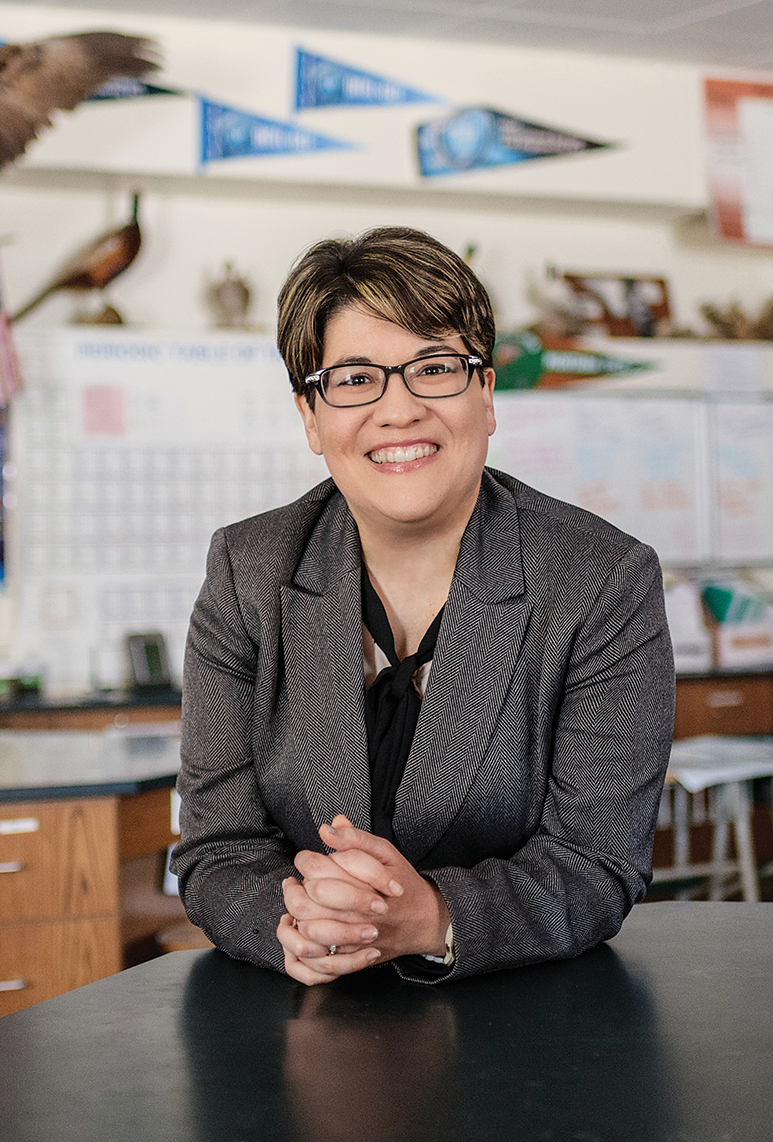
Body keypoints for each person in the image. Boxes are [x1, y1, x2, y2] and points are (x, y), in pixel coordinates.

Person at [172, 225, 674, 987]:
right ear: (311, 416)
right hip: (304, 1023)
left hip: (532, 1030)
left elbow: (596, 863)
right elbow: (216, 848)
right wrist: (295, 924)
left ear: (487, 395)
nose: (398, 410)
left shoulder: (600, 581)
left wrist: (433, 917)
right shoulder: (249, 573)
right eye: (352, 379)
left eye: (434, 368)